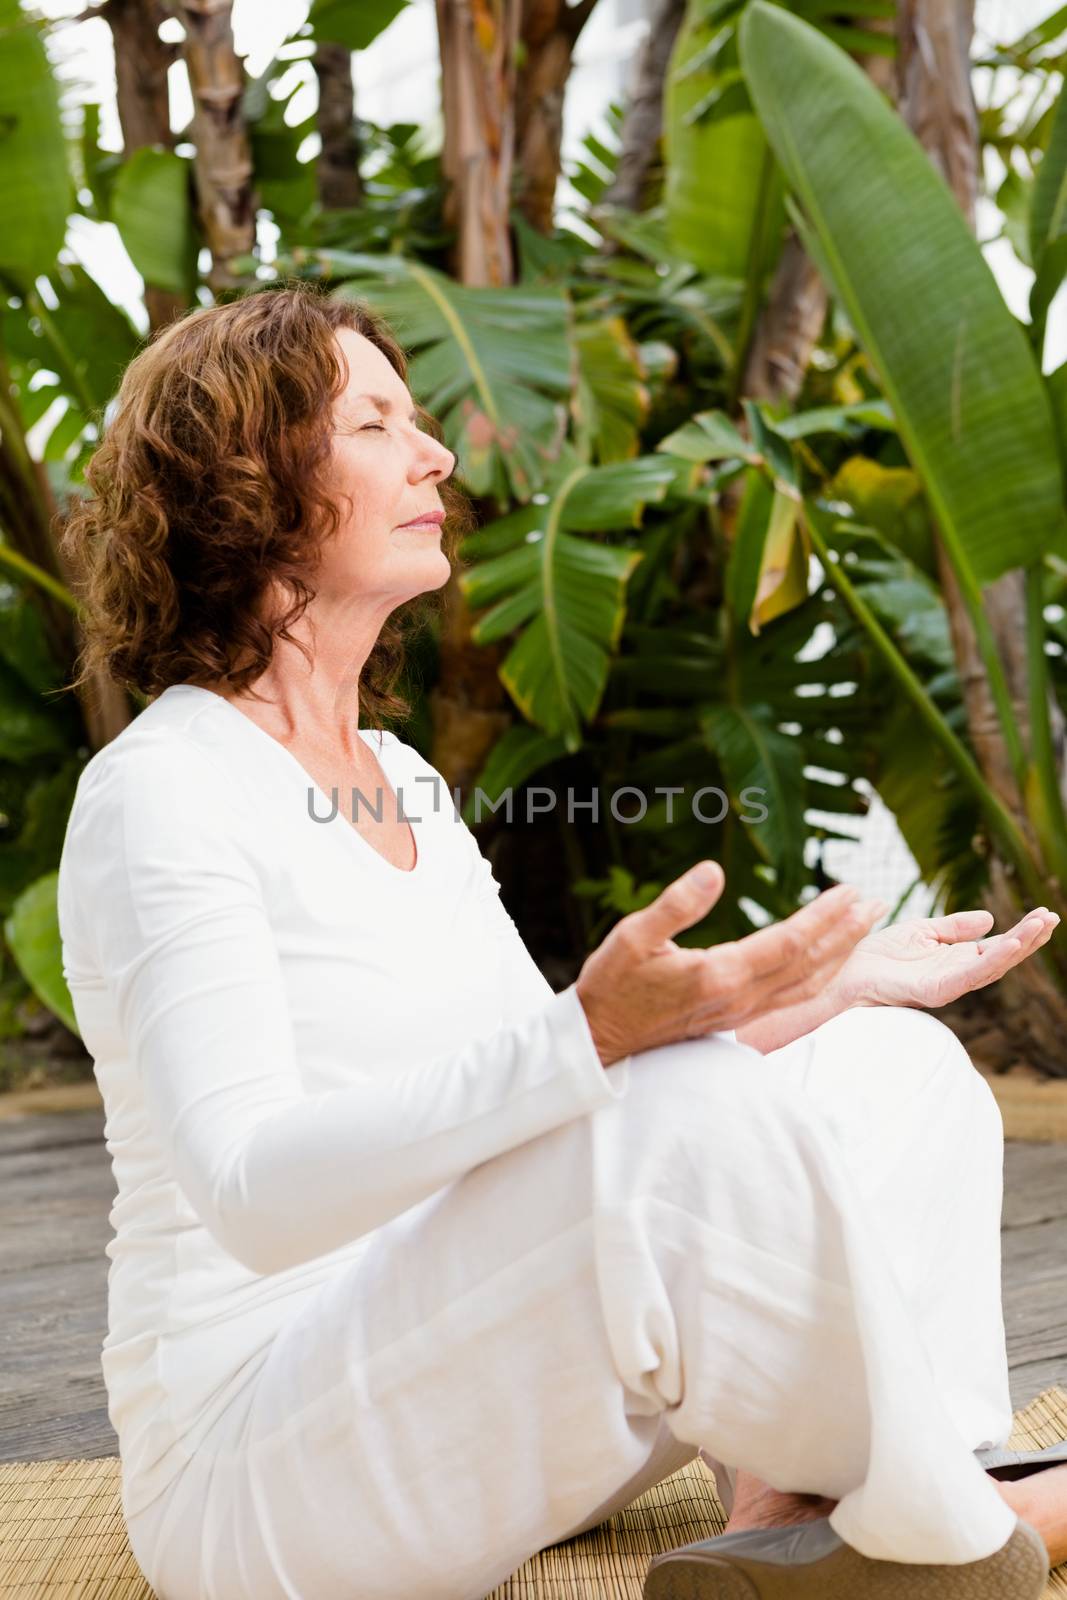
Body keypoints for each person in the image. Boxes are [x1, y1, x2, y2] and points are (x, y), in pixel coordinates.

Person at [55, 281, 1064, 1600]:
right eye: (376, 425)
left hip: (467, 1378)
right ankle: (973, 1521)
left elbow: (528, 1090)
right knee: (677, 1107)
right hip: (267, 1478)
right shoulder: (163, 792)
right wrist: (596, 1030)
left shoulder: (400, 777)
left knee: (896, 1071)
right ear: (246, 478)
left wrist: (814, 992)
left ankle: (803, 1521)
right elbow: (254, 1192)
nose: (435, 458)